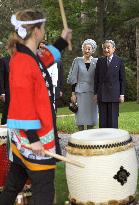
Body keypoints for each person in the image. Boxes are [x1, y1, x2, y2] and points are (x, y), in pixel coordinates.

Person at [0, 9, 71, 205]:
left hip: (24, 140)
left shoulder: (27, 56)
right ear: (37, 30)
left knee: (14, 185)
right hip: (33, 139)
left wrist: (62, 41)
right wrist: (34, 140)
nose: (44, 30)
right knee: (44, 190)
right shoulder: (23, 61)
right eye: (44, 27)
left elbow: (43, 60)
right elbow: (23, 104)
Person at [67, 39, 98, 131]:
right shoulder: (77, 60)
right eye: (85, 48)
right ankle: (80, 138)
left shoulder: (97, 61)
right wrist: (73, 94)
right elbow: (73, 78)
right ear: (83, 49)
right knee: (80, 117)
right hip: (80, 93)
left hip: (93, 93)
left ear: (93, 50)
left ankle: (90, 138)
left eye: (89, 49)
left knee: (91, 117)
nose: (87, 51)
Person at [94, 40, 125, 128]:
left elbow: (122, 79)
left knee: (113, 120)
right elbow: (96, 79)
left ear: (113, 49)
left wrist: (122, 94)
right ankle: (103, 140)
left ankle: (114, 140)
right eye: (104, 48)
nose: (106, 50)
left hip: (114, 94)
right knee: (103, 120)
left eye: (108, 47)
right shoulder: (100, 61)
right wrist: (95, 93)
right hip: (102, 94)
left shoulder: (119, 61)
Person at [0, 47, 10, 125]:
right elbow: (1, 77)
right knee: (6, 111)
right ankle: (3, 131)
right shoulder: (4, 61)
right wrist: (2, 92)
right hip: (8, 92)